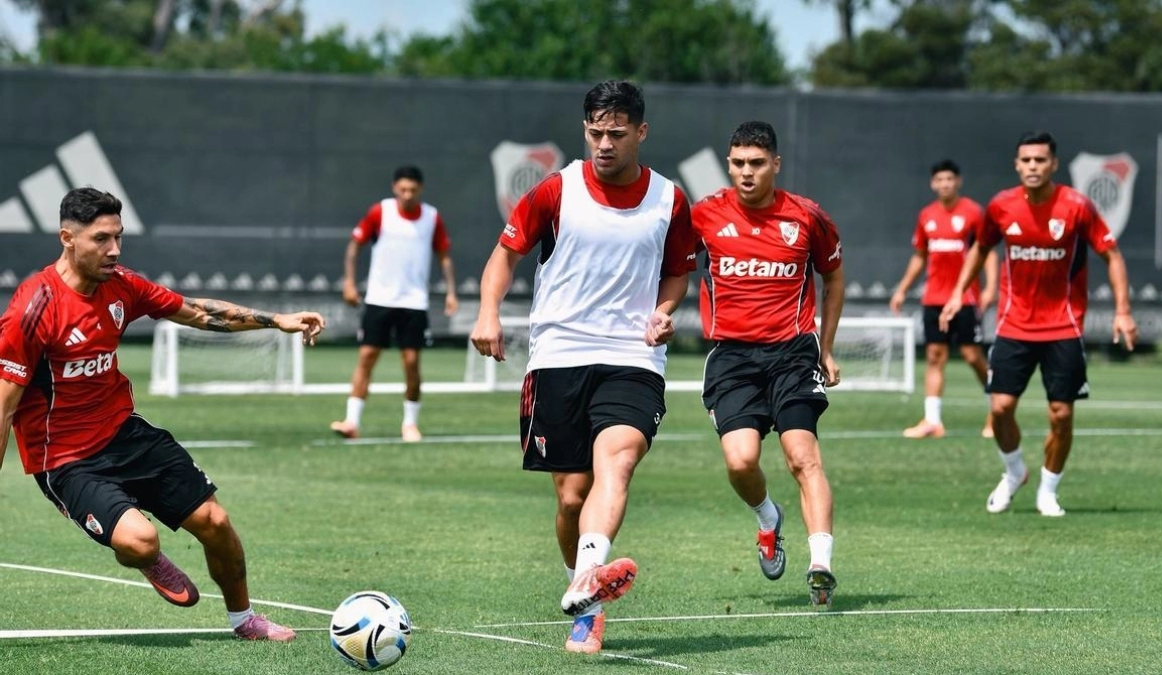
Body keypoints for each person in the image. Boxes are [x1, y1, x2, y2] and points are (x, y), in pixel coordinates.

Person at [0, 187, 326, 641]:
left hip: (124, 434)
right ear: (67, 239)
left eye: (118, 236)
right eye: (101, 239)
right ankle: (148, 560)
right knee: (141, 541)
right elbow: (4, 407)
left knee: (216, 522)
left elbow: (197, 313)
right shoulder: (34, 309)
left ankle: (245, 619)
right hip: (66, 460)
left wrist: (277, 320)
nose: (114, 249)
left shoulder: (122, 285)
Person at [469, 80, 695, 654]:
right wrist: (488, 312)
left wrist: (664, 311)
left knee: (616, 462)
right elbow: (505, 255)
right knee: (571, 497)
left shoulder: (669, 199)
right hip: (558, 355)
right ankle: (583, 586)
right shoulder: (556, 189)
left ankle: (589, 596)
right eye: (595, 133)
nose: (604, 144)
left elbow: (677, 272)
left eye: (616, 134)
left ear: (641, 132)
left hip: (633, 358)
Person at [940, 131, 1137, 517]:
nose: (1033, 166)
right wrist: (957, 293)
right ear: (1017, 165)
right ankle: (1015, 472)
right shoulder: (1001, 206)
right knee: (1000, 408)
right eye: (1026, 160)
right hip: (1013, 325)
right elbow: (980, 248)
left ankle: (1048, 491)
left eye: (1040, 160)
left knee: (1061, 414)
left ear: (1053, 164)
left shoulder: (1076, 206)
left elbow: (1112, 255)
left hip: (1063, 326)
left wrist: (1123, 310)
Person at [691, 121, 844, 609]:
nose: (746, 172)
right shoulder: (703, 216)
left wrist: (826, 348)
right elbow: (670, 266)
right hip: (732, 358)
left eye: (756, 163)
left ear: (775, 164)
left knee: (803, 456)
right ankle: (768, 518)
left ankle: (820, 564)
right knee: (741, 461)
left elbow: (834, 277)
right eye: (738, 163)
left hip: (793, 354)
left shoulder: (807, 217)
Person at [330, 165, 458, 442]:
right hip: (379, 298)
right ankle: (352, 422)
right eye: (403, 189)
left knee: (411, 362)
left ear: (420, 189)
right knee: (367, 357)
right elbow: (354, 246)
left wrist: (451, 292)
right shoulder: (380, 212)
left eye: (412, 189)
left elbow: (444, 256)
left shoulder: (432, 217)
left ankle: (410, 424)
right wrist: (349, 283)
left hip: (414, 302)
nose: (407, 194)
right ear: (394, 188)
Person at [890, 159, 999, 439]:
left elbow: (987, 251)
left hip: (965, 298)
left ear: (958, 181)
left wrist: (990, 288)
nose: (945, 184)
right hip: (934, 299)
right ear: (933, 184)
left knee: (971, 355)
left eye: (949, 179)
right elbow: (920, 256)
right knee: (934, 356)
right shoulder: (927, 215)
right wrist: (902, 289)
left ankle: (998, 410)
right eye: (940, 180)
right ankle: (932, 421)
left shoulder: (973, 212)